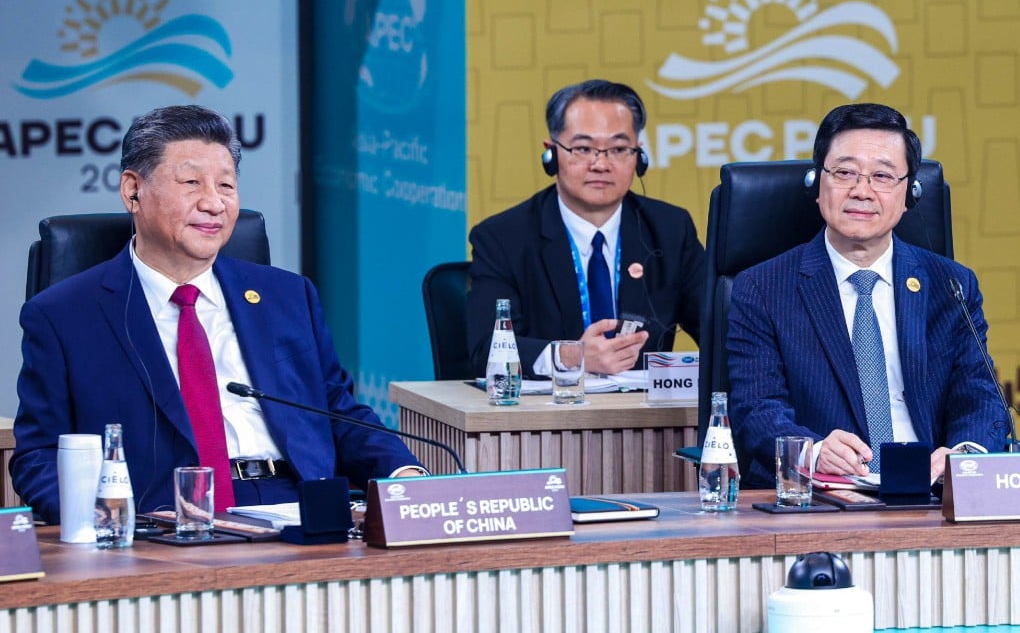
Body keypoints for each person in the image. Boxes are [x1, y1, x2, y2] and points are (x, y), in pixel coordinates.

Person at [11, 105, 425, 524]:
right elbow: (38, 456)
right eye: (191, 183)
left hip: (299, 510)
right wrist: (106, 520)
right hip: (161, 524)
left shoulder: (286, 296)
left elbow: (337, 411)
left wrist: (404, 476)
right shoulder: (64, 316)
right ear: (133, 190)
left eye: (226, 185)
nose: (213, 203)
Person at [727, 102, 1008, 488]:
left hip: (931, 494)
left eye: (882, 176)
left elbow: (978, 394)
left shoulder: (951, 285)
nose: (862, 191)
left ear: (910, 193)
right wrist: (813, 450)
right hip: (821, 496)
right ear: (816, 183)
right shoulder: (762, 288)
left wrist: (963, 457)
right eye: (844, 173)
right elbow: (756, 408)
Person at [467, 79, 705, 378]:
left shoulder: (670, 230)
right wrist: (570, 356)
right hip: (545, 417)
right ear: (551, 153)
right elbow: (485, 350)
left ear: (639, 156)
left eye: (619, 149)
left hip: (645, 417)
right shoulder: (503, 238)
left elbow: (722, 333)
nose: (601, 164)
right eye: (583, 148)